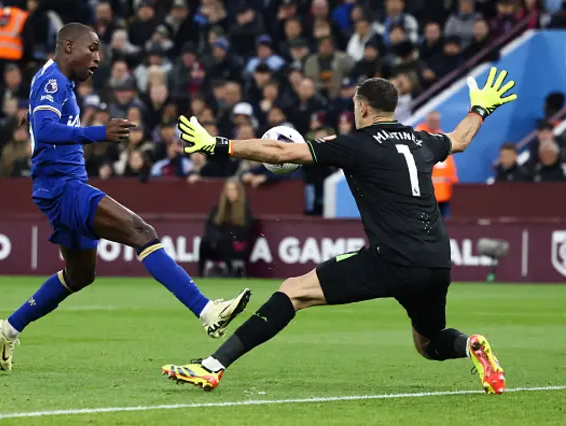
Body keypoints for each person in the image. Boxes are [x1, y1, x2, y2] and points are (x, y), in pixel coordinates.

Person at [164, 66, 517, 394]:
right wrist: (479, 109)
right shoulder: (421, 140)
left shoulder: (356, 144)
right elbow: (460, 139)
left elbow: (277, 152)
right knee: (429, 342)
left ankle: (212, 365)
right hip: (438, 259)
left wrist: (219, 144)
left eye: (354, 105)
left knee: (294, 291)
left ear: (363, 108)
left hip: (392, 258)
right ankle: (470, 343)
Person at [0, 23, 251, 372]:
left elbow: (43, 122)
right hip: (64, 187)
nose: (97, 58)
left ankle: (8, 329)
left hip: (57, 187)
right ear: (67, 45)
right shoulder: (54, 81)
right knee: (141, 232)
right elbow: (47, 128)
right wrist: (100, 133)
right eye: (91, 49)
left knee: (80, 275)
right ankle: (206, 311)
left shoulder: (50, 78)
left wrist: (33, 121)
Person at [198, 178, 253, 277]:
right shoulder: (217, 209)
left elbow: (245, 231)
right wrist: (215, 238)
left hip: (235, 247)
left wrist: (223, 237)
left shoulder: (245, 211)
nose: (231, 192)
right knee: (204, 242)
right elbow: (210, 227)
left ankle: (230, 269)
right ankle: (200, 274)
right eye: (228, 189)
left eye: (233, 189)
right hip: (218, 245)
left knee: (223, 240)